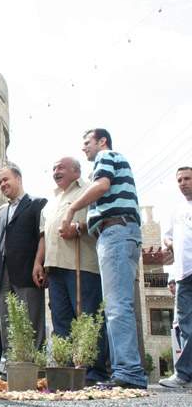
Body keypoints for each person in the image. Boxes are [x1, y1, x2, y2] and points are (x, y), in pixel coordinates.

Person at [61, 128, 147, 389]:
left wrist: (72, 208)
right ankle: (125, 369)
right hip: (116, 232)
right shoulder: (109, 160)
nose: (84, 148)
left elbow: (102, 185)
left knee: (117, 307)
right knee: (116, 306)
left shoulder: (106, 156)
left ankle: (129, 372)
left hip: (116, 233)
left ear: (102, 141)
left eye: (87, 142)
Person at [32, 157, 108, 383]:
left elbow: (98, 220)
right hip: (54, 268)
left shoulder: (88, 191)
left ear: (76, 171)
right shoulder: (51, 201)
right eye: (54, 168)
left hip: (81, 266)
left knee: (87, 319)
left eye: (61, 168)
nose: (56, 171)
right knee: (61, 320)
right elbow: (44, 236)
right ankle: (65, 371)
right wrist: (39, 262)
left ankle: (94, 373)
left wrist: (78, 227)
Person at [0, 164, 47, 377]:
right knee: (6, 320)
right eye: (0, 182)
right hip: (3, 273)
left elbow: (42, 236)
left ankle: (36, 368)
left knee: (31, 319)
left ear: (19, 178)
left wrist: (38, 263)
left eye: (6, 179)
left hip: (27, 272)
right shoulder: (1, 211)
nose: (3, 184)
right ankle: (8, 369)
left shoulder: (37, 204)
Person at [159, 166, 192, 388]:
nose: (183, 183)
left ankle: (183, 374)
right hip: (183, 273)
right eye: (180, 179)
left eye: (187, 178)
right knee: (185, 324)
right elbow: (168, 239)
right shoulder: (176, 209)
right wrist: (172, 277)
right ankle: (185, 375)